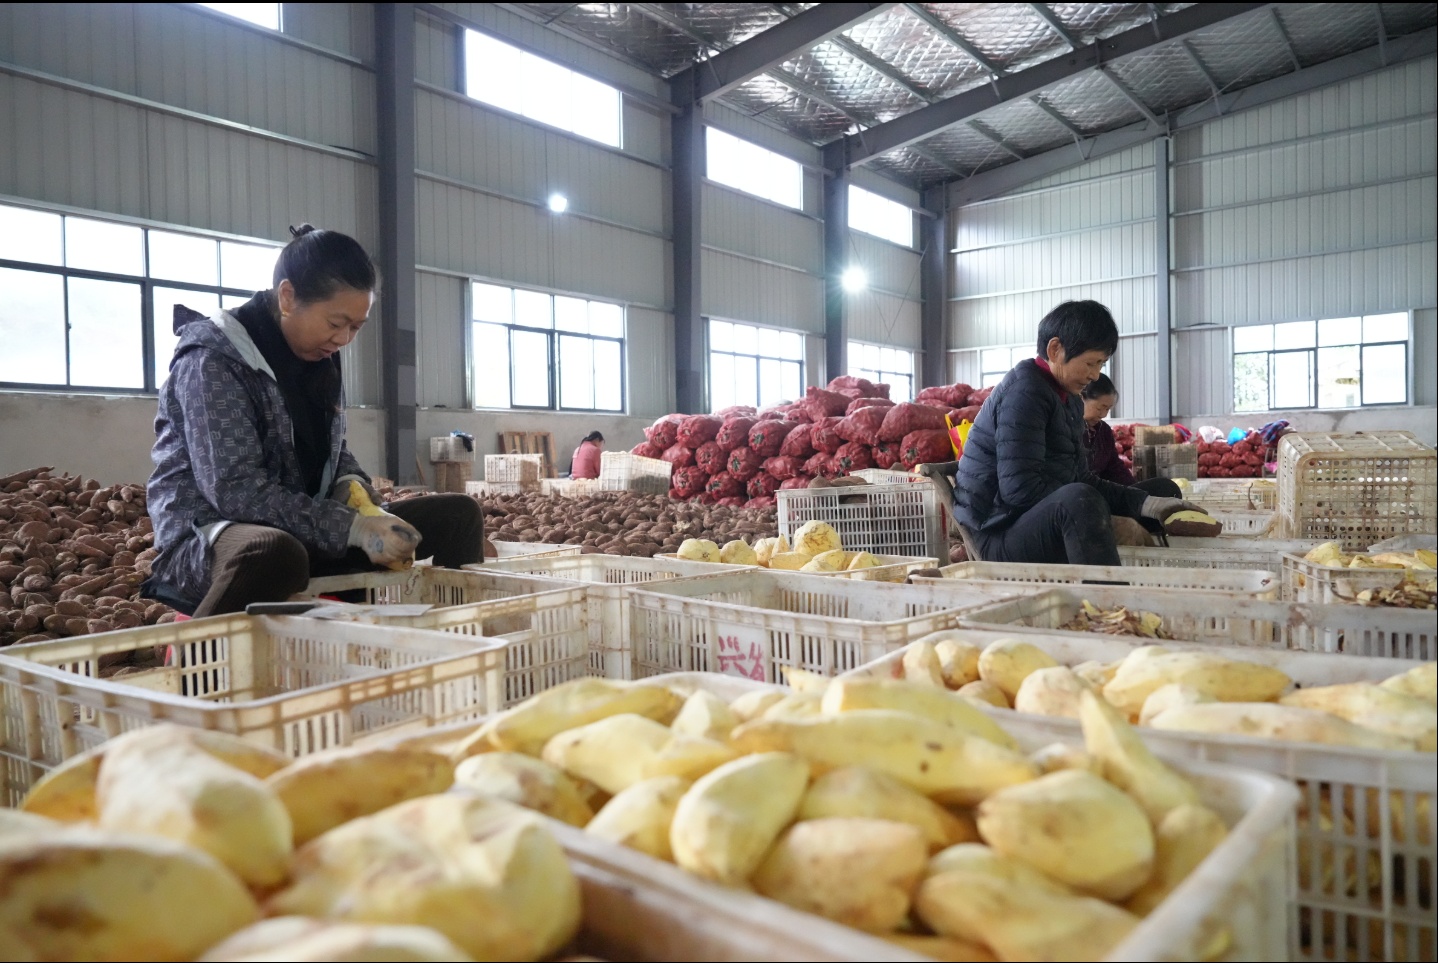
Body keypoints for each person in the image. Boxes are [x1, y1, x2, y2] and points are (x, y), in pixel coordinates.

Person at [143, 225, 487, 617]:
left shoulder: (318, 357)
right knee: (271, 552)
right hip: (212, 540)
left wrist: (353, 487)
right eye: (336, 323)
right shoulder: (213, 362)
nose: (344, 339)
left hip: (304, 529)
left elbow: (332, 450)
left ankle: (458, 648)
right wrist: (351, 529)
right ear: (288, 297)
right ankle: (199, 669)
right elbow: (235, 491)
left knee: (458, 515)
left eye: (356, 327)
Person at [953, 300, 1204, 566]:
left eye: (1101, 364)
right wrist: (1105, 514)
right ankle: (1107, 604)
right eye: (1090, 363)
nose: (1095, 375)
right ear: (1055, 349)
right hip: (1000, 531)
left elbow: (1082, 478)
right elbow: (1020, 491)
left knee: (1164, 491)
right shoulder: (1024, 394)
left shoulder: (1068, 399)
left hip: (1038, 517)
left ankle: (1151, 571)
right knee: (1080, 500)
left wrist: (1147, 504)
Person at [1081, 374, 1182, 498]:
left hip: (1104, 493)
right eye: (1099, 408)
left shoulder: (1104, 431)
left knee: (1167, 488)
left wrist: (1136, 493)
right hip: (1082, 497)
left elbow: (1114, 468)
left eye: (1108, 409)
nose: (1103, 414)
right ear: (1082, 398)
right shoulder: (1070, 430)